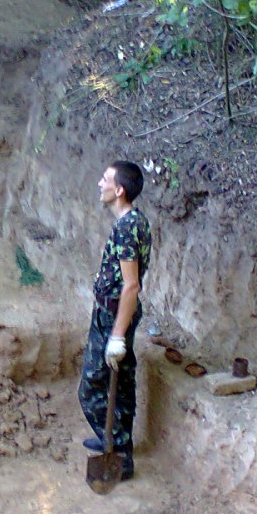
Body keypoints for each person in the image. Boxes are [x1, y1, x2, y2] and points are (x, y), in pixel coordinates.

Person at [78, 160, 152, 481]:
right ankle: (115, 441)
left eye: (105, 179)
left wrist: (117, 336)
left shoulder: (125, 229)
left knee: (90, 388)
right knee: (120, 382)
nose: (100, 183)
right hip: (118, 312)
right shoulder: (136, 221)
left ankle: (118, 449)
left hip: (113, 315)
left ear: (119, 190)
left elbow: (131, 285)